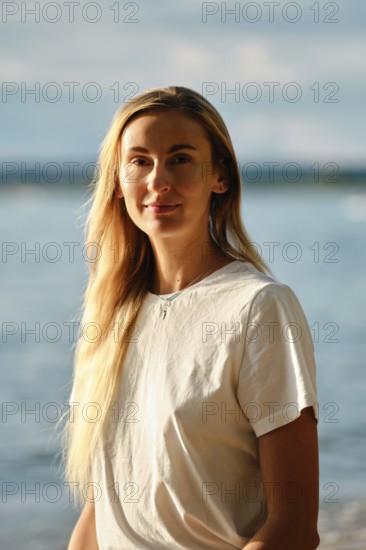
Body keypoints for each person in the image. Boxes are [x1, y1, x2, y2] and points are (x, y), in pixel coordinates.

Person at [63, 86, 319, 549]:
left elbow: (294, 530)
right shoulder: (112, 314)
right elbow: (103, 513)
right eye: (139, 161)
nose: (158, 180)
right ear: (118, 181)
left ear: (218, 175)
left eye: (180, 159)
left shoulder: (259, 308)